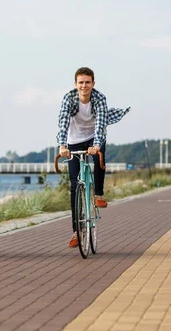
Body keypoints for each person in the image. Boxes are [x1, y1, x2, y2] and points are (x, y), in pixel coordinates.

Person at [57, 67, 130, 248]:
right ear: (76, 84)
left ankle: (98, 194)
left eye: (87, 82)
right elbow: (63, 122)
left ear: (93, 84)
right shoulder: (69, 98)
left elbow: (100, 124)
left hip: (93, 138)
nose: (84, 86)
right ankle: (76, 231)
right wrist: (62, 146)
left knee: (99, 158)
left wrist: (96, 145)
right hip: (74, 139)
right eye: (81, 82)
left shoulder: (99, 99)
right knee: (74, 185)